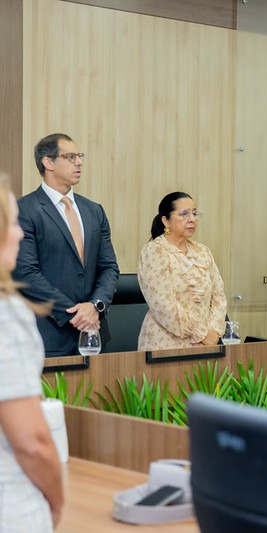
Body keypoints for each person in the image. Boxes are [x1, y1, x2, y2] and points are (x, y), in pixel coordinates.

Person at [13, 133, 119, 357]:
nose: (79, 162)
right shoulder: (24, 210)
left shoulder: (94, 210)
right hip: (48, 335)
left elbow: (109, 267)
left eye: (79, 156)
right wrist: (74, 314)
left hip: (94, 333)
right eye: (70, 157)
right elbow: (26, 273)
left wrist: (95, 306)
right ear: (48, 162)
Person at [0, 172, 64, 531]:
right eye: (12, 223)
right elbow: (33, 443)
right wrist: (57, 499)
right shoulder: (7, 315)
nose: (21, 233)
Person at [137, 192, 227, 350]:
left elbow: (219, 296)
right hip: (165, 345)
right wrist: (201, 333)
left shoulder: (202, 251)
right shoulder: (155, 251)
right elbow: (163, 304)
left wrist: (213, 332)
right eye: (184, 214)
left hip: (206, 345)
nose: (192, 219)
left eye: (194, 213)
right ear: (166, 220)